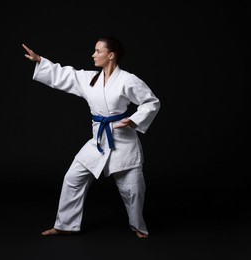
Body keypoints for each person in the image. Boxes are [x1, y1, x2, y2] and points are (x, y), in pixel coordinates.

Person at [22, 36, 160, 239]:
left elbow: (151, 102)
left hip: (123, 142)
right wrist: (41, 61)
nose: (93, 54)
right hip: (98, 142)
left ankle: (138, 225)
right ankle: (65, 224)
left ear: (110, 55)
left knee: (133, 190)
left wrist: (134, 120)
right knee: (72, 179)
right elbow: (65, 75)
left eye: (97, 51)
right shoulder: (90, 79)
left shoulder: (128, 80)